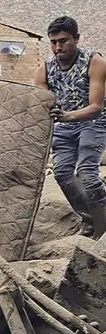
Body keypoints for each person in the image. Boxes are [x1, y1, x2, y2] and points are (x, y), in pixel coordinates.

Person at [35, 16, 106, 238]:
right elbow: (40, 104)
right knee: (63, 174)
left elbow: (95, 107)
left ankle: (103, 225)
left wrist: (67, 116)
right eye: (53, 42)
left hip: (92, 122)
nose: (58, 47)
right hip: (64, 127)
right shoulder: (45, 69)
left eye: (64, 41)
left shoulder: (94, 62)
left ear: (76, 38)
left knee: (86, 173)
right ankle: (89, 219)